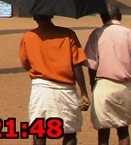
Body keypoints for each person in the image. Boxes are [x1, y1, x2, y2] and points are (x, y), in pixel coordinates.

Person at [19, 15, 91, 145]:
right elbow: (77, 65)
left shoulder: (28, 37)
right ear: (52, 15)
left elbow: (26, 65)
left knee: (39, 131)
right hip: (66, 90)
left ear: (34, 17)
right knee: (70, 131)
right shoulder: (68, 34)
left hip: (41, 90)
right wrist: (84, 92)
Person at [85, 0, 131, 145]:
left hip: (103, 85)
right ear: (120, 16)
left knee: (103, 129)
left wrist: (93, 84)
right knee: (123, 129)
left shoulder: (97, 34)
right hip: (124, 86)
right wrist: (129, 81)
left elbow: (92, 65)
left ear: (102, 17)